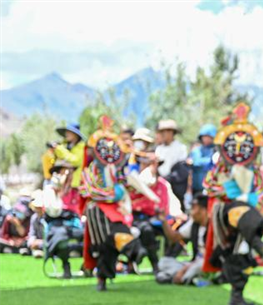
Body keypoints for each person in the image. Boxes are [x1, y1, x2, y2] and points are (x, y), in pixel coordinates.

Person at [202, 103, 263, 305]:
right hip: (226, 211)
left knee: (240, 253)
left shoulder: (255, 170)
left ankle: (236, 295)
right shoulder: (220, 169)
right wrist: (229, 191)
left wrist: (249, 196)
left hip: (246, 212)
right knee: (236, 245)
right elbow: (208, 186)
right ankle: (258, 245)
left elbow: (261, 189)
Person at [79, 116, 144, 291]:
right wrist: (114, 193)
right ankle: (103, 277)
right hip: (97, 211)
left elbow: (124, 185)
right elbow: (89, 191)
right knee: (104, 244)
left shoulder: (117, 170)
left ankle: (134, 251)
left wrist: (120, 191)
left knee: (118, 235)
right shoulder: (90, 171)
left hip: (116, 210)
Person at [157, 194, 210, 285]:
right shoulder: (193, 224)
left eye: (194, 208)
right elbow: (174, 237)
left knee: (199, 265)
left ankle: (175, 277)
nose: (191, 211)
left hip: (208, 263)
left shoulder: (214, 226)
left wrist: (183, 270)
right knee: (164, 262)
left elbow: (209, 257)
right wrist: (164, 221)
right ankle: (187, 278)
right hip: (193, 263)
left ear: (203, 210)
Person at [50, 123, 86, 205]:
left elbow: (76, 161)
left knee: (73, 207)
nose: (67, 134)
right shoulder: (66, 146)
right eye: (66, 132)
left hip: (76, 184)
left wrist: (60, 149)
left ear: (75, 134)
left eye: (69, 132)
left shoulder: (81, 146)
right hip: (64, 183)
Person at [189, 124, 217, 198]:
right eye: (204, 137)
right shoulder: (196, 151)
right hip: (197, 187)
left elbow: (216, 162)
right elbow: (195, 162)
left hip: (212, 187)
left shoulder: (217, 150)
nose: (205, 139)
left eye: (208, 137)